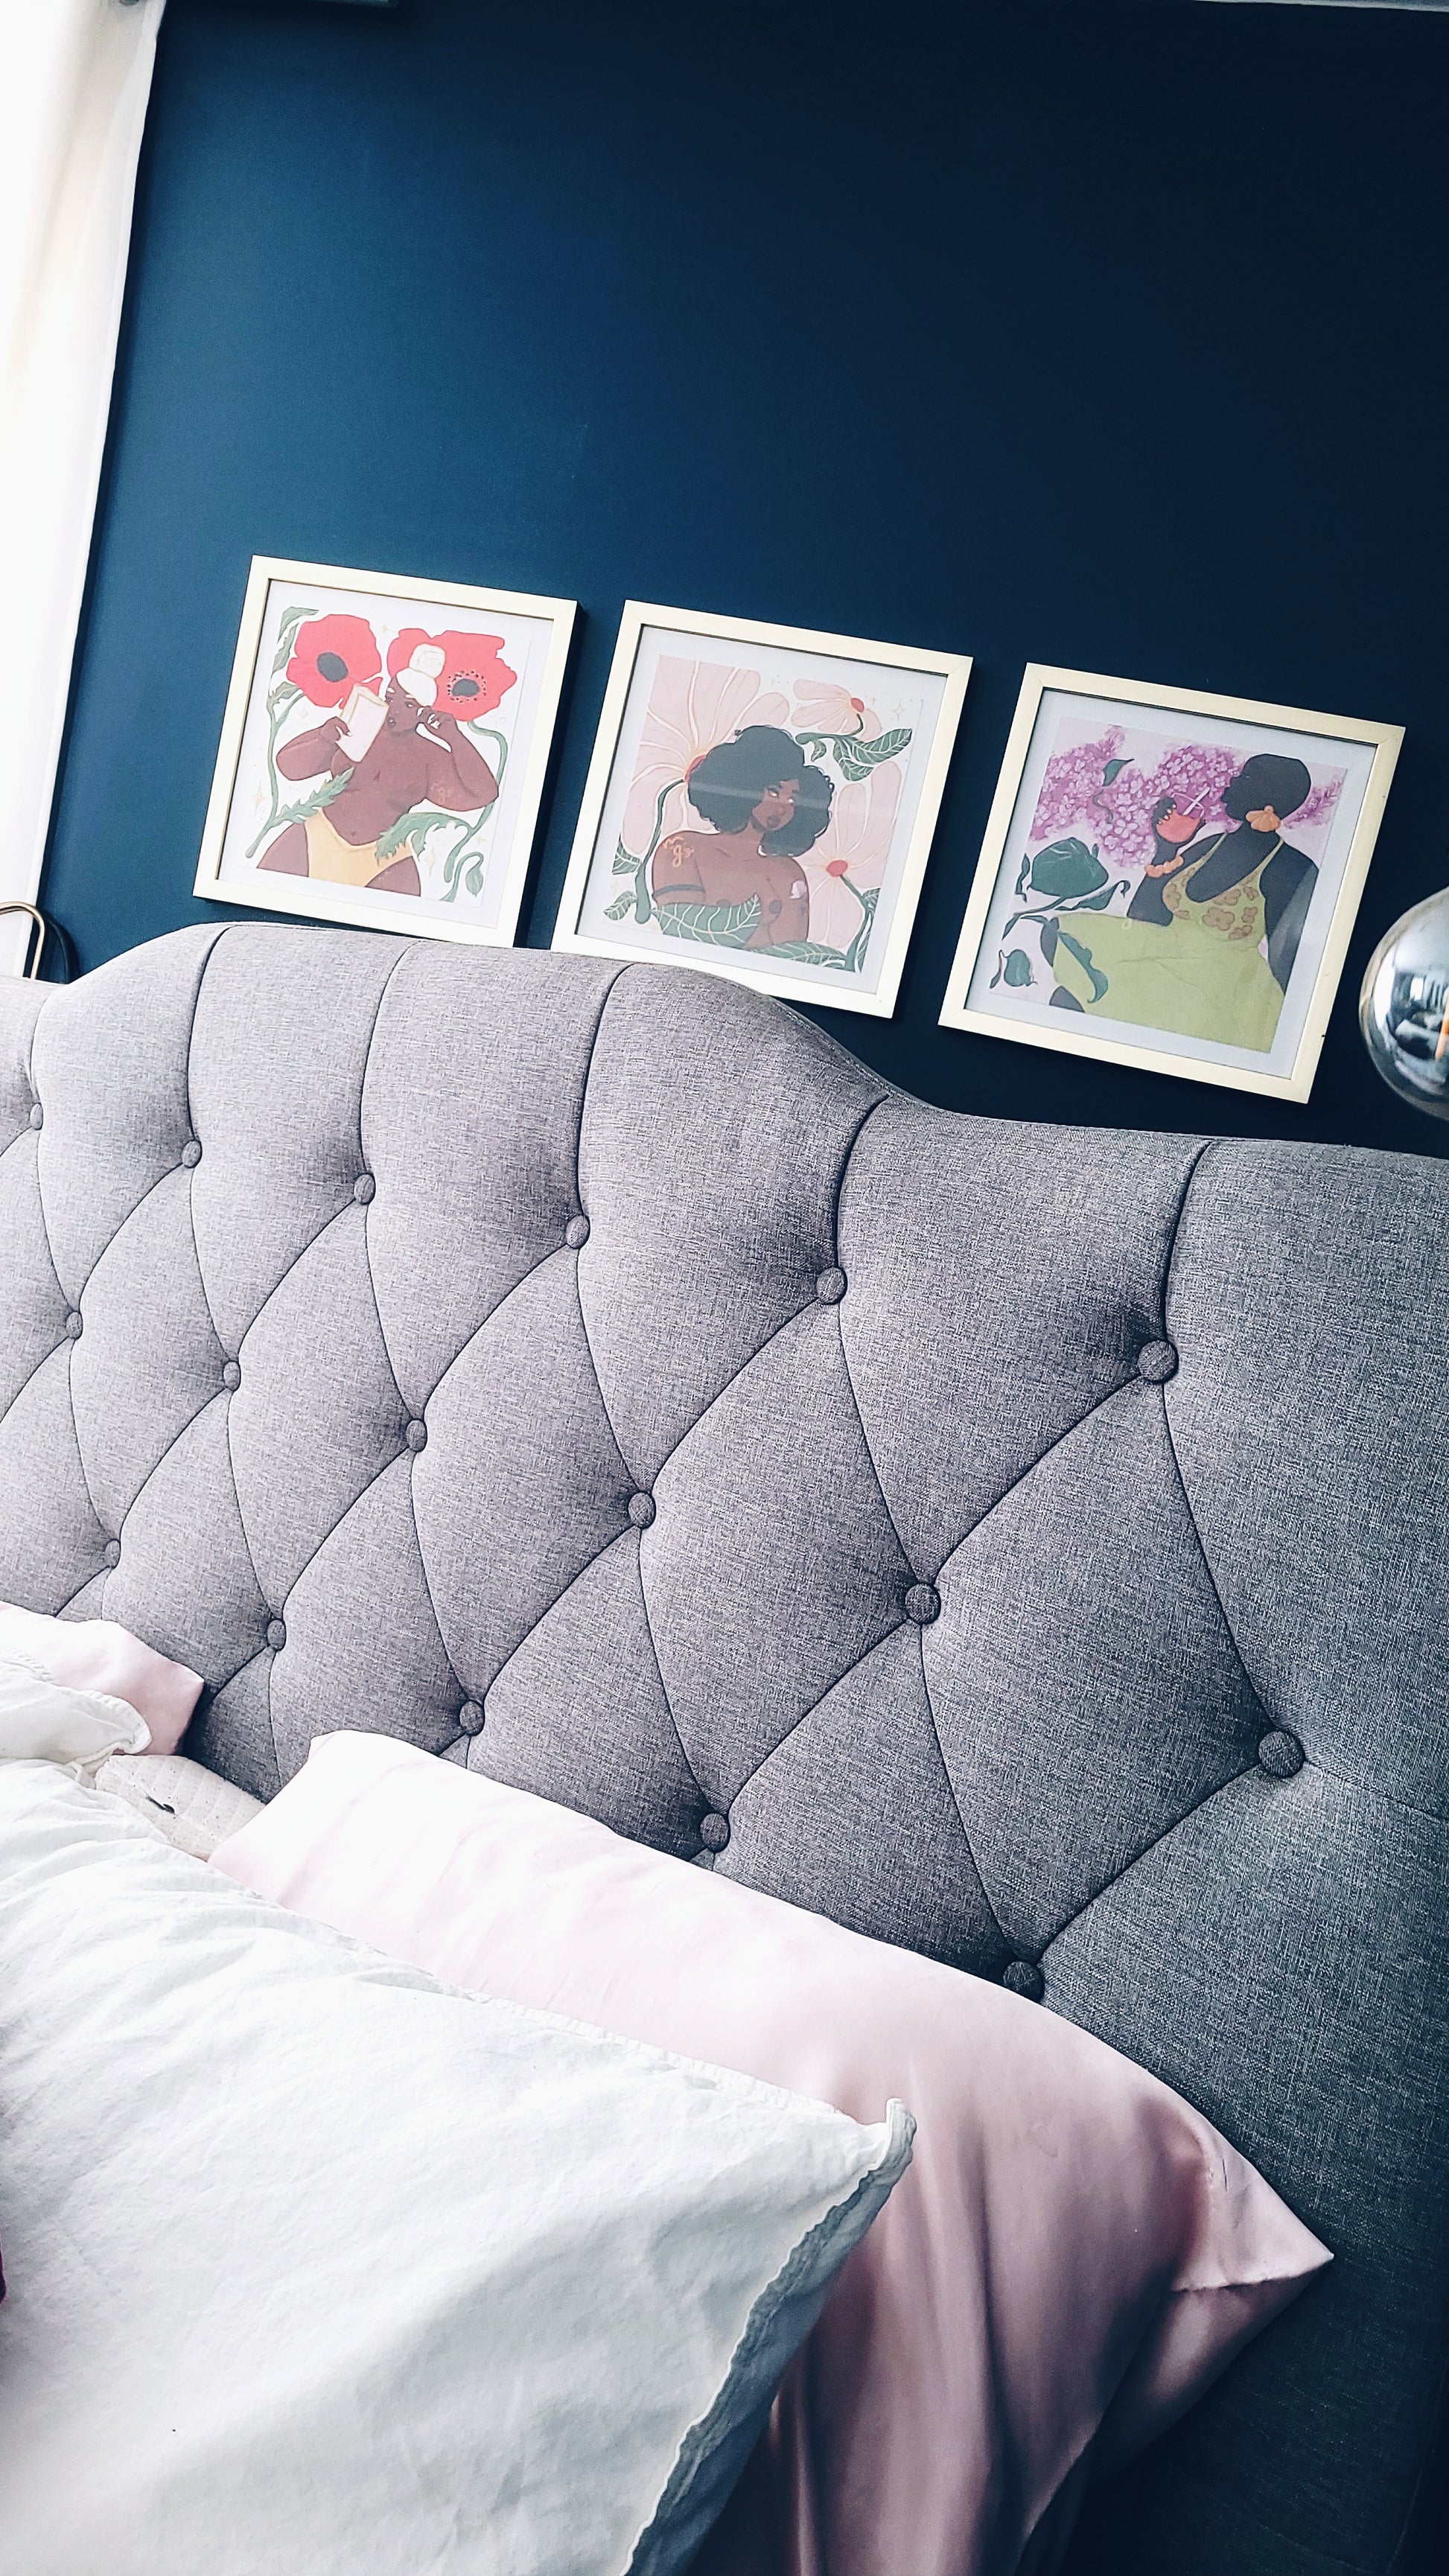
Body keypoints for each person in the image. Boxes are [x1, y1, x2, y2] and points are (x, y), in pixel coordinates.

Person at [1047, 752, 1318, 1051]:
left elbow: (1292, 963)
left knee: (1081, 1001)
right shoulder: (1212, 843)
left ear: (1271, 800)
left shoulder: (1291, 869)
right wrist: (1167, 847)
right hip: (1160, 959)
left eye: (1246, 778)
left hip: (1215, 991)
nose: (1232, 783)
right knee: (1058, 943)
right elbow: (1146, 917)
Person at [258, 663, 499, 896]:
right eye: (390, 698)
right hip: (316, 836)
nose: (394, 709)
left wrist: (454, 738)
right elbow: (288, 766)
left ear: (423, 712)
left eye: (408, 705)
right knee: (263, 894)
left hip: (384, 859)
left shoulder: (429, 756)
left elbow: (484, 794)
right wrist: (324, 739)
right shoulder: (359, 726)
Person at [651, 726, 833, 949]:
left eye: (793, 799)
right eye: (774, 791)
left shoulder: (788, 873)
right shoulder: (682, 850)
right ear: (745, 784)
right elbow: (679, 936)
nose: (783, 807)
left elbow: (791, 955)